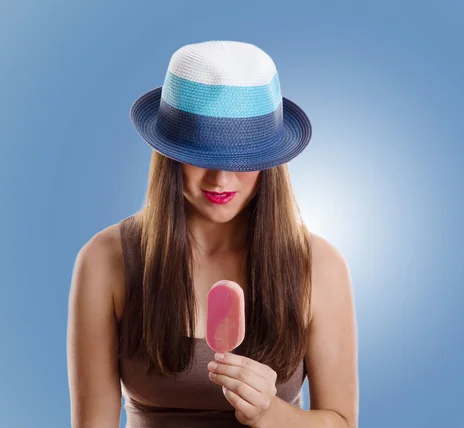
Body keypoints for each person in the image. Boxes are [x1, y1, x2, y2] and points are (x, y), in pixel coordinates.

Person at [67, 40, 358, 428]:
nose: (220, 179)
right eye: (201, 156)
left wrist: (271, 413)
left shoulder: (319, 265)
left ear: (270, 161)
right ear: (168, 154)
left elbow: (341, 422)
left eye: (241, 158)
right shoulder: (106, 259)